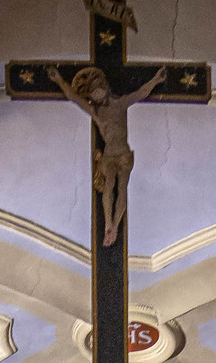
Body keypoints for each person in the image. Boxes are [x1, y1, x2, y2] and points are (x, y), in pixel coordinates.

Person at [49, 63, 167, 246]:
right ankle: (108, 224)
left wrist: (156, 79)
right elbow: (73, 97)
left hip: (124, 153)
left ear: (105, 88)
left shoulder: (120, 103)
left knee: (122, 189)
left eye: (98, 90)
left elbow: (141, 93)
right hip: (109, 154)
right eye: (92, 93)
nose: (96, 95)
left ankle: (116, 224)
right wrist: (59, 81)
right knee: (109, 185)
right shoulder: (96, 111)